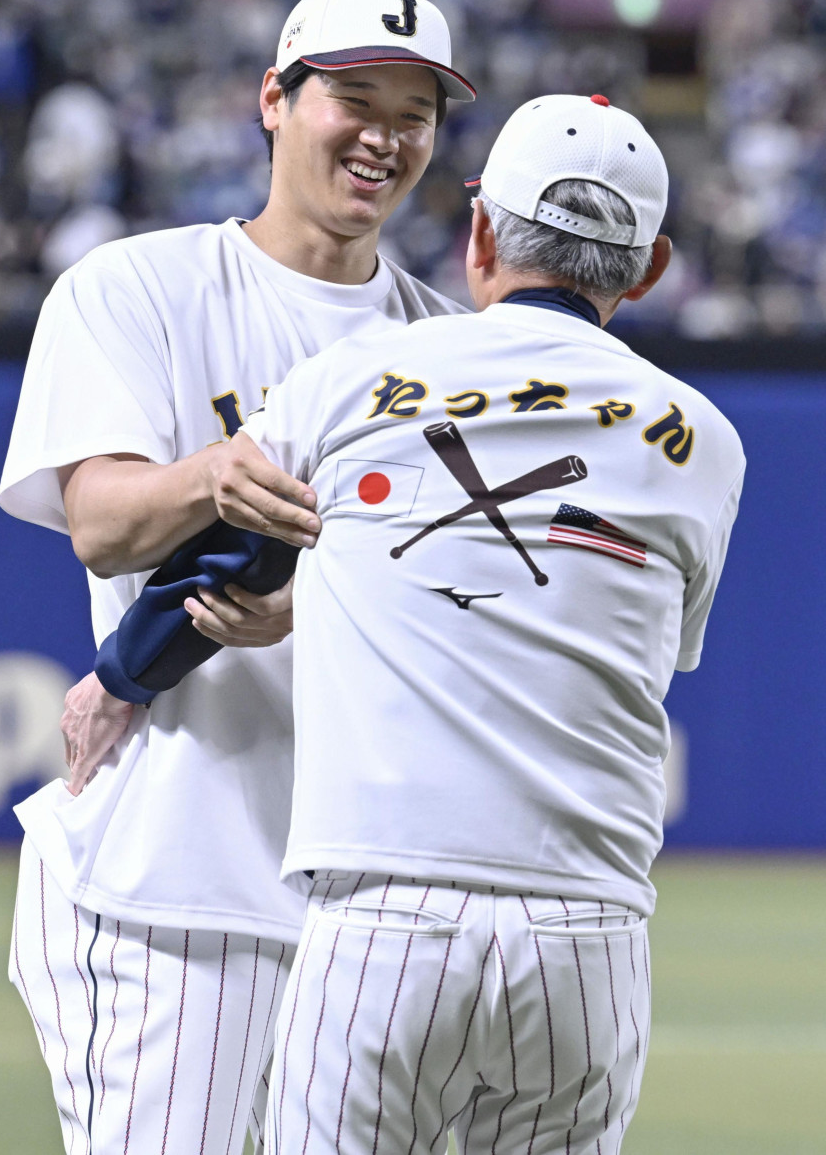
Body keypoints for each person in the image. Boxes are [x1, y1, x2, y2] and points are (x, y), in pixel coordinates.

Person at [207, 94, 741, 1153]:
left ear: (481, 230)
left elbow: (214, 565)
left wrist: (123, 676)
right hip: (587, 933)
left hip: (382, 911)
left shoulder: (347, 378)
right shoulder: (710, 443)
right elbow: (654, 644)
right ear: (650, 267)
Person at [0, 0, 475, 1155]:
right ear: (275, 97)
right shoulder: (137, 287)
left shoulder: (447, 352)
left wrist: (310, 601)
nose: (384, 134)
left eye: (414, 111)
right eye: (353, 96)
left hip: (371, 901)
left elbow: (459, 603)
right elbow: (100, 518)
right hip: (177, 872)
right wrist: (213, 476)